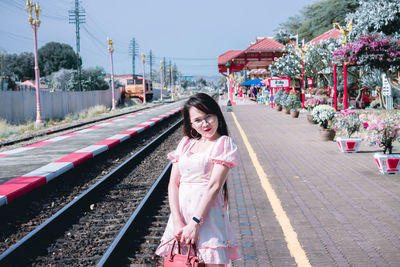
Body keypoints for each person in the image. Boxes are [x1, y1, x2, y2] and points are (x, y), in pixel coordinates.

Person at [155, 93, 241, 266]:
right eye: (198, 120)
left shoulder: (223, 144)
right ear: (191, 124)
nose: (205, 124)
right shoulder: (186, 143)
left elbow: (214, 187)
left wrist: (195, 223)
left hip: (207, 216)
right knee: (181, 261)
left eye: (208, 116)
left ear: (217, 114)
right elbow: (173, 184)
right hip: (181, 217)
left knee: (211, 261)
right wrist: (178, 220)